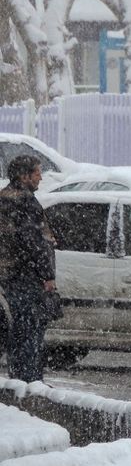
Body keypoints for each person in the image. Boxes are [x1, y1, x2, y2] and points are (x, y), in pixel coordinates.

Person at [0, 156, 56, 383]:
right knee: (30, 329)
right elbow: (32, 241)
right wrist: (47, 275)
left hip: (8, 273)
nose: (41, 177)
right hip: (25, 275)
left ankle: (18, 378)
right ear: (24, 176)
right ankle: (30, 382)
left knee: (19, 328)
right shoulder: (26, 202)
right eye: (37, 173)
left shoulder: (3, 198)